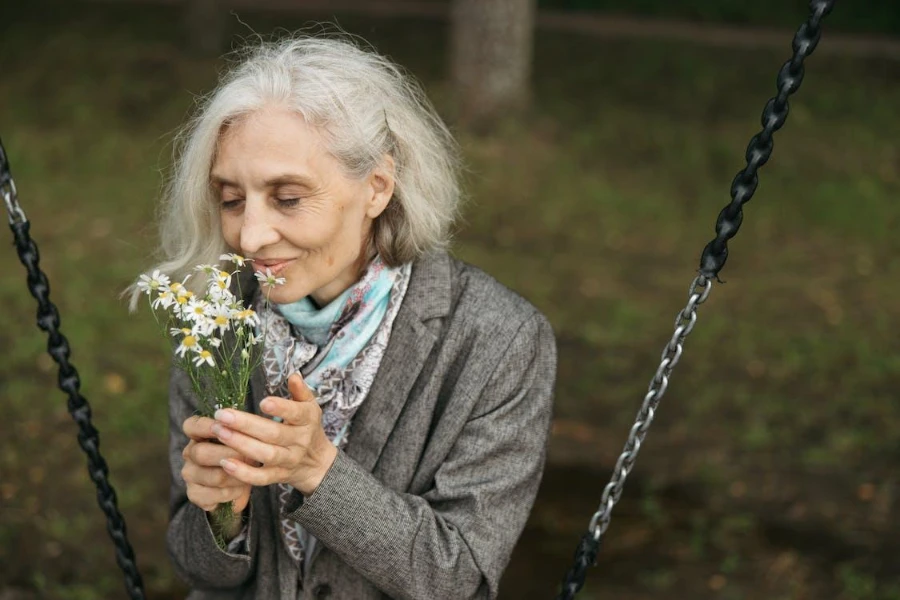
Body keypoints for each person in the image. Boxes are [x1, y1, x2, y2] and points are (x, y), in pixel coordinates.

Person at [136, 33, 556, 600]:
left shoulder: (496, 341)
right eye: (232, 199)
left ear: (377, 187)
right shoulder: (217, 323)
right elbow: (199, 570)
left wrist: (319, 472)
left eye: (287, 198)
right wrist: (222, 517)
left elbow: (458, 577)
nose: (250, 236)